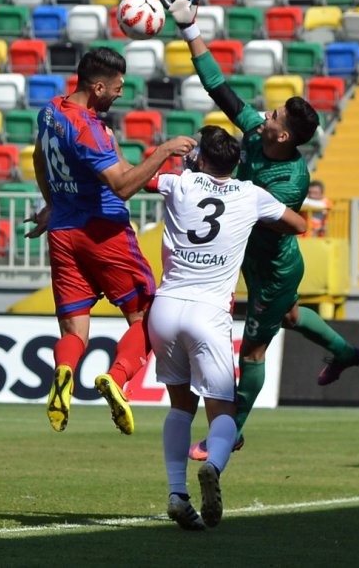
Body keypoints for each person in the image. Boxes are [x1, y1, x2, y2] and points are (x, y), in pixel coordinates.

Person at [159, 0, 359, 461]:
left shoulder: (291, 176)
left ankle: (230, 432)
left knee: (252, 352)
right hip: (249, 260)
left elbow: (262, 216)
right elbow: (219, 89)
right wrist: (189, 28)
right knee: (292, 317)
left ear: (285, 133)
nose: (262, 113)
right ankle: (346, 353)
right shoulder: (256, 134)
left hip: (271, 271)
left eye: (272, 113)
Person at [25, 47, 197, 435]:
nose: (121, 94)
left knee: (73, 331)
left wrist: (52, 205)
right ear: (98, 86)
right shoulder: (91, 129)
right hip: (104, 232)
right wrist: (164, 151)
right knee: (148, 317)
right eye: (117, 87)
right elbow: (121, 186)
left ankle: (65, 371)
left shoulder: (51, 110)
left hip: (64, 234)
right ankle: (117, 379)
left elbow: (39, 157)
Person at [146, 127, 307, 530]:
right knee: (223, 412)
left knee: (180, 405)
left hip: (165, 308)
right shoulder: (251, 194)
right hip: (208, 313)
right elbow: (299, 224)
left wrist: (168, 156)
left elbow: (132, 178)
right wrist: (263, 222)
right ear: (234, 162)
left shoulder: (178, 181)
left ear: (201, 158)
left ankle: (176, 493)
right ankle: (213, 466)